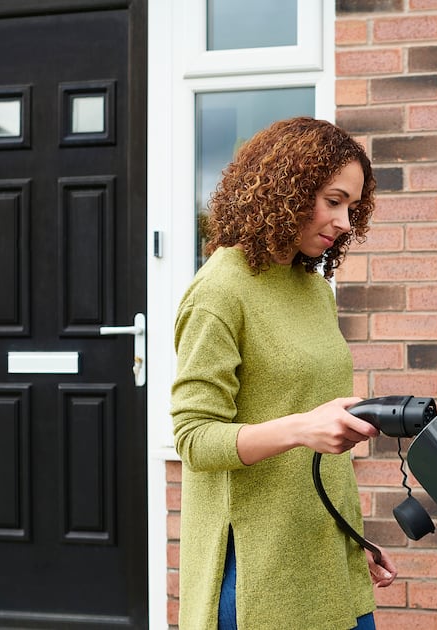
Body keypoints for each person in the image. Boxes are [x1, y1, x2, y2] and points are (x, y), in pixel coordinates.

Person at [171, 116, 397, 630]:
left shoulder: (314, 290)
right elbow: (194, 438)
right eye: (333, 200)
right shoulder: (219, 291)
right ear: (287, 188)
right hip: (258, 577)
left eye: (353, 209)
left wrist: (349, 538)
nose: (344, 222)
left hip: (328, 562)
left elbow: (322, 438)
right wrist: (301, 428)